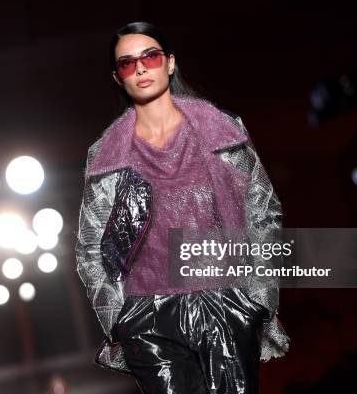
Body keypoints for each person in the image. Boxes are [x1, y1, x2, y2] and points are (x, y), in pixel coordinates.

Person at [75, 21, 290, 394]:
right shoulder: (106, 156)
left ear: (170, 63)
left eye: (150, 56)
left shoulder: (221, 132)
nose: (140, 68)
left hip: (226, 300)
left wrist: (257, 299)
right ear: (117, 77)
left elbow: (263, 211)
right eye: (127, 63)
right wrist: (118, 320)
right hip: (147, 317)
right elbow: (90, 248)